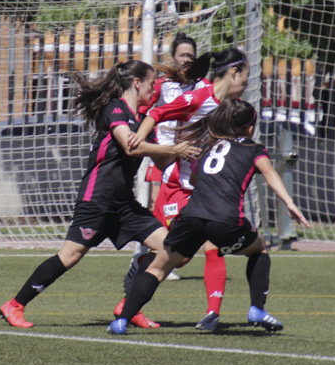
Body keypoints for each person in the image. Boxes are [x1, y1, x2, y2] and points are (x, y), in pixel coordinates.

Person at [0, 60, 198, 329]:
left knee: (176, 251)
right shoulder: (115, 108)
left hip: (124, 204)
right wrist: (174, 149)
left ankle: (129, 306)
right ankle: (15, 305)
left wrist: (185, 139)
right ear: (136, 83)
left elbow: (160, 161)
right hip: (98, 199)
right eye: (151, 84)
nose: (154, 90)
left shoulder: (141, 120)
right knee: (70, 257)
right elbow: (130, 147)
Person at [110, 99, 310, 335]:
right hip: (225, 219)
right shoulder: (253, 149)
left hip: (191, 216)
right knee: (259, 249)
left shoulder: (209, 146)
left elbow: (195, 180)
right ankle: (256, 308)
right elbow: (268, 172)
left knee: (158, 267)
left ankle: (121, 321)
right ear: (249, 127)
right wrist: (289, 203)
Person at [125, 47, 251, 331]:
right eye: (246, 76)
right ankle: (132, 292)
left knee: (213, 247)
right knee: (176, 258)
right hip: (176, 188)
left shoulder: (232, 105)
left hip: (201, 190)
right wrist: (137, 139)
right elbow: (157, 113)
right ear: (233, 73)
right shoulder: (199, 97)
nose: (246, 82)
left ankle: (211, 315)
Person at [129, 32, 208, 285]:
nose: (187, 59)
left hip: (191, 159)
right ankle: (155, 257)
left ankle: (158, 257)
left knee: (186, 216)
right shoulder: (162, 85)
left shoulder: (203, 86)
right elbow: (144, 111)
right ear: (173, 57)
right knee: (156, 201)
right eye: (182, 54)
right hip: (163, 157)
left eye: (191, 56)